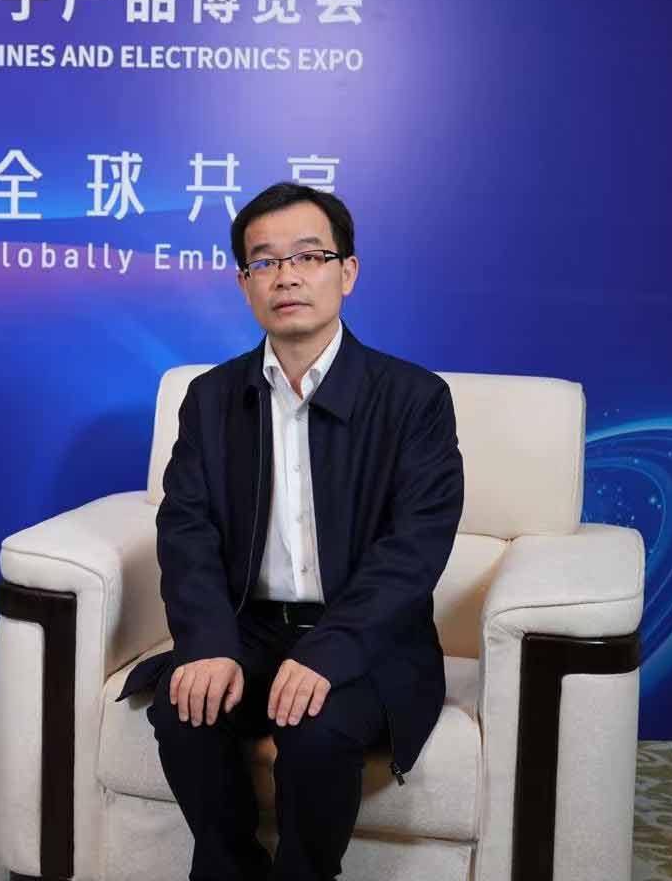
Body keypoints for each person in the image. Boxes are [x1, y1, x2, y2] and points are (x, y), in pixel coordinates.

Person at [120, 182, 466, 880]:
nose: (286, 276)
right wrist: (208, 643)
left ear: (348, 272)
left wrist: (331, 651)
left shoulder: (414, 398)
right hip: (251, 628)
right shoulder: (211, 398)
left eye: (308, 256)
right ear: (244, 283)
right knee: (186, 713)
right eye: (265, 261)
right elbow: (186, 530)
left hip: (369, 637)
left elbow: (415, 548)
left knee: (316, 730)